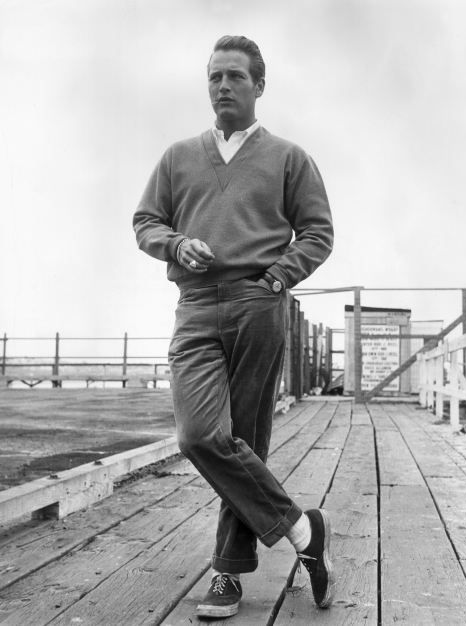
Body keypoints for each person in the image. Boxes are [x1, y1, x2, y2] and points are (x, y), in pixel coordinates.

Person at [133, 35, 334, 619]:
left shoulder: (289, 157)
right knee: (200, 437)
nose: (223, 86)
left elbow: (317, 233)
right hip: (195, 305)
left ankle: (228, 573)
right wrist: (174, 242)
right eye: (215, 76)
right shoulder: (177, 157)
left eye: (235, 77)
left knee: (246, 436)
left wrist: (276, 279)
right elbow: (146, 221)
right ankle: (301, 530)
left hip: (257, 303)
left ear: (259, 86)